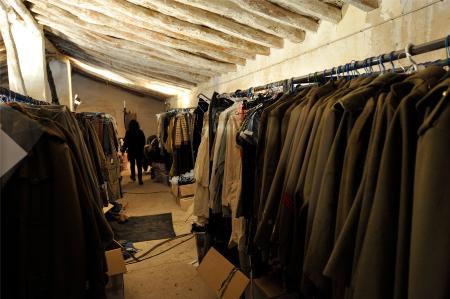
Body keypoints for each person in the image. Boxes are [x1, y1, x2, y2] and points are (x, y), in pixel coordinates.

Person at [121, 120, 146, 185]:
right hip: (139, 151)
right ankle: (140, 180)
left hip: (131, 151)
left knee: (132, 165)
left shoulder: (128, 132)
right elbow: (143, 141)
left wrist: (123, 150)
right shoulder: (140, 132)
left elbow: (126, 142)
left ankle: (133, 176)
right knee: (139, 165)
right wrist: (141, 148)